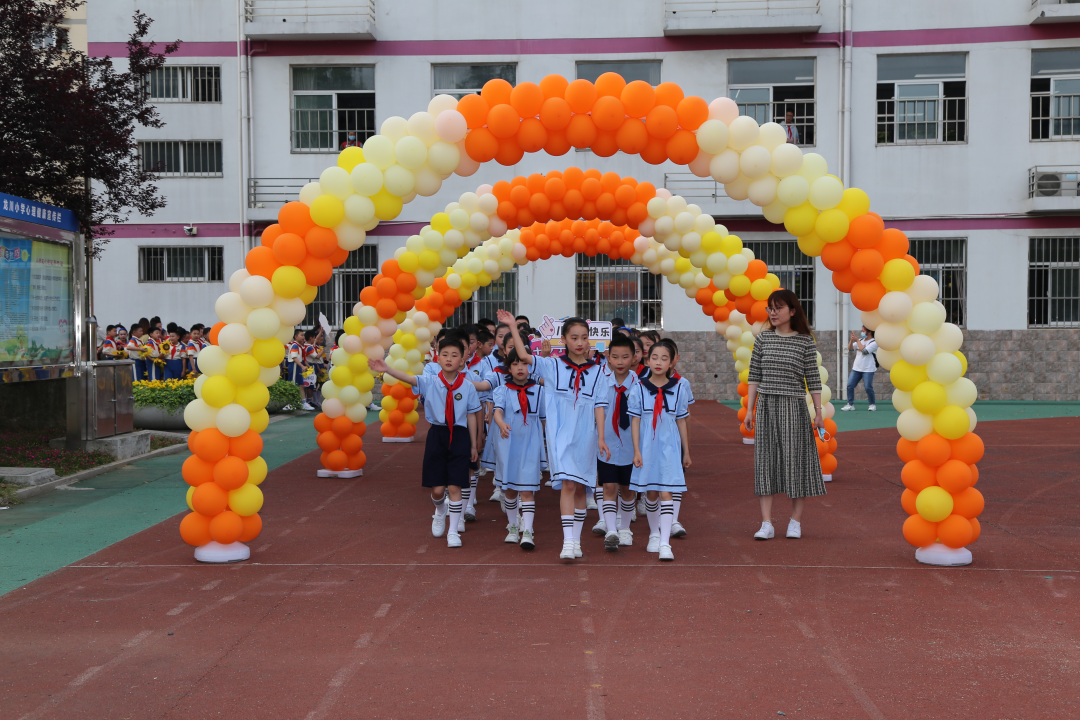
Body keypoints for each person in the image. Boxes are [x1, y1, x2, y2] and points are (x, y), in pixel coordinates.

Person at [498, 309, 605, 561]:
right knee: (568, 484)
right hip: (561, 435)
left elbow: (600, 405)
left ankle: (576, 541)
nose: (580, 342)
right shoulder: (553, 364)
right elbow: (524, 354)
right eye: (574, 337)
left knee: (580, 488)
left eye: (584, 337)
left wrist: (600, 437)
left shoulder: (598, 371)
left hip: (586, 435)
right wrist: (513, 326)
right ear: (564, 340)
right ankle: (568, 542)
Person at [369, 334, 480, 549]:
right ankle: (439, 512)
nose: (449, 358)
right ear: (437, 358)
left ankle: (453, 531)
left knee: (456, 485)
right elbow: (409, 378)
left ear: (462, 360)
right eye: (445, 354)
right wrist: (387, 368)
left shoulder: (468, 387)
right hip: (437, 435)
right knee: (438, 489)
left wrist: (474, 444)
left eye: (454, 355)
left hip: (459, 436)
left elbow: (471, 415)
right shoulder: (430, 382)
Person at [743, 289, 825, 541]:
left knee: (795, 464)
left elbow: (813, 378)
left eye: (778, 307)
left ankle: (795, 522)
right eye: (770, 308)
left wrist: (819, 412)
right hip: (766, 406)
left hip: (794, 407)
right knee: (765, 463)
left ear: (792, 310)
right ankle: (766, 523)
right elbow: (754, 375)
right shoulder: (763, 339)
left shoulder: (804, 341)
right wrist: (750, 410)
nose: (773, 312)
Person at [629, 342, 691, 562]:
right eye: (654, 357)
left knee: (667, 493)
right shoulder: (638, 387)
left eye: (664, 358)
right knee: (651, 494)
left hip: (669, 447)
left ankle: (665, 542)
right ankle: (654, 534)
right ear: (647, 360)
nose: (658, 362)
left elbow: (681, 420)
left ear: (672, 362)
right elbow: (635, 421)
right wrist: (636, 450)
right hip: (647, 446)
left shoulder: (679, 387)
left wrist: (686, 452)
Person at [492, 345, 546, 550]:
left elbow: (543, 419)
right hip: (509, 443)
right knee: (511, 489)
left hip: (531, 443)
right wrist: (500, 423)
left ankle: (528, 531)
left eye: (524, 363)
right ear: (509, 368)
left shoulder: (540, 390)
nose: (520, 368)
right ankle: (513, 526)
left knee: (527, 488)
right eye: (515, 364)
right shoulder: (502, 390)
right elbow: (498, 411)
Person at [593, 334, 640, 550]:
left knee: (628, 489)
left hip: (632, 447)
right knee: (609, 486)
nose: (620, 362)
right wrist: (600, 439)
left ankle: (625, 529)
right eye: (615, 357)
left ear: (634, 358)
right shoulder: (601, 383)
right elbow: (598, 411)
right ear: (608, 358)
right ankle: (611, 530)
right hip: (608, 445)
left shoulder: (640, 385)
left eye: (625, 357)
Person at [841, 326, 878, 411]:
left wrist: (857, 340)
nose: (862, 332)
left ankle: (872, 404)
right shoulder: (861, 340)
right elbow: (850, 348)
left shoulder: (874, 342)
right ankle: (850, 404)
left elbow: (865, 351)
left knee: (868, 387)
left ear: (869, 332)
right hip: (856, 368)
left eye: (863, 331)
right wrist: (851, 340)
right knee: (850, 386)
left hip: (868, 369)